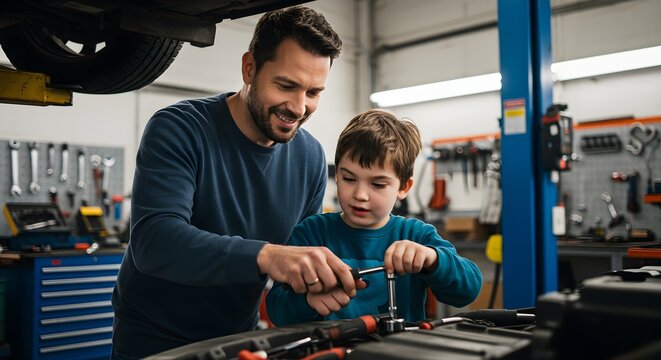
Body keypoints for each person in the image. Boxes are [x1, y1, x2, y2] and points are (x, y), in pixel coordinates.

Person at [111, 6, 359, 358]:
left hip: (238, 340)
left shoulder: (311, 158)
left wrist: (310, 292)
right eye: (286, 85)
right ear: (249, 68)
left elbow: (293, 264)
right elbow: (154, 242)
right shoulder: (180, 129)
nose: (299, 107)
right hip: (155, 340)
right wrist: (266, 255)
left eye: (314, 92)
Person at [266, 109, 482, 325]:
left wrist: (434, 260)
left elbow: (467, 291)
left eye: (377, 184)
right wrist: (307, 302)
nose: (360, 195)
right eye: (349, 178)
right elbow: (277, 310)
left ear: (404, 187)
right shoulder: (310, 234)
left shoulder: (415, 235)